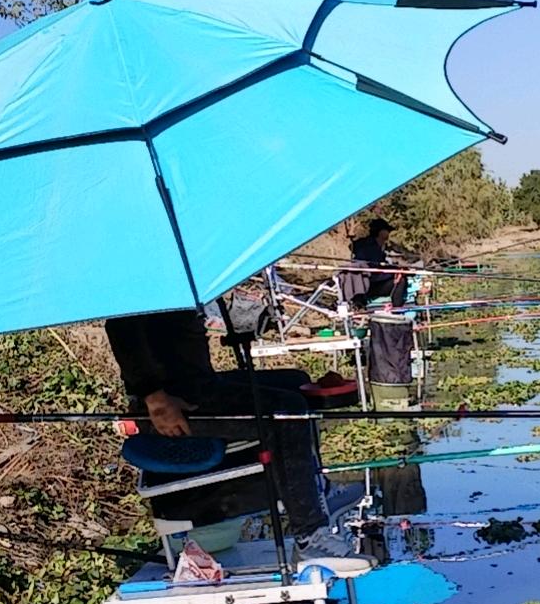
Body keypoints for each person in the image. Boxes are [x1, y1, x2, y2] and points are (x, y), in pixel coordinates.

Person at [105, 309, 373, 574]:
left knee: (296, 382)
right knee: (286, 410)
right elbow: (121, 327)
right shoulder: (147, 281)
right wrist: (155, 400)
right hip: (178, 402)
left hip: (200, 385)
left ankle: (318, 491)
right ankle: (310, 538)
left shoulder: (174, 276)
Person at [349, 217, 408, 307]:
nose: (389, 233)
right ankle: (397, 309)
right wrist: (394, 273)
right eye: (387, 231)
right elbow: (373, 272)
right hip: (369, 286)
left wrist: (395, 270)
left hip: (370, 282)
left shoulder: (375, 246)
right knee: (401, 281)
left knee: (401, 276)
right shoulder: (370, 248)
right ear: (381, 232)